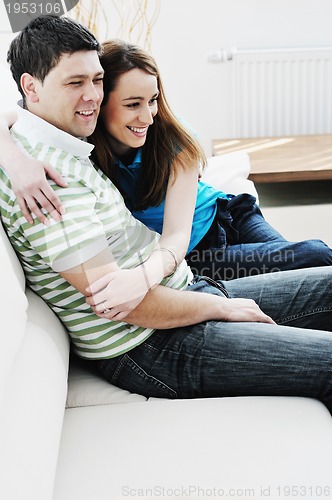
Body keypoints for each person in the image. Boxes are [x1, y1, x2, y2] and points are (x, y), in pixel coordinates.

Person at [1, 15, 332, 412]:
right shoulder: (51, 182)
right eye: (75, 83)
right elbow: (125, 305)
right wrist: (223, 307)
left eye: (96, 80)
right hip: (152, 344)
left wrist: (12, 155)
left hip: (182, 291)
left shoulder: (51, 144)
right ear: (30, 88)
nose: (92, 96)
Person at [1, 40, 331, 282]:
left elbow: (176, 228)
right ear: (101, 103)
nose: (148, 116)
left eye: (153, 100)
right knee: (315, 258)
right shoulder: (81, 144)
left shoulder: (173, 138)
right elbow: (9, 113)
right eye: (132, 104)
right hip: (196, 255)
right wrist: (16, 163)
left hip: (230, 215)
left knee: (313, 267)